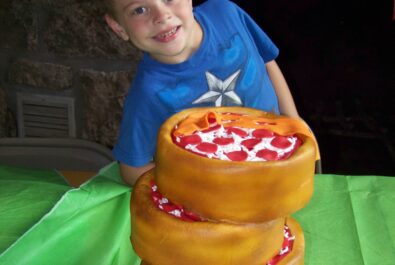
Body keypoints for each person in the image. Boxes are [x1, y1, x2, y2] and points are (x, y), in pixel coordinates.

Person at [102, 0, 300, 186]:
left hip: (286, 158)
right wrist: (200, 181)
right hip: (227, 194)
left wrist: (295, 120)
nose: (162, 16)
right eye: (139, 10)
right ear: (118, 26)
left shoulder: (227, 13)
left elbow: (266, 61)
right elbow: (130, 170)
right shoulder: (148, 93)